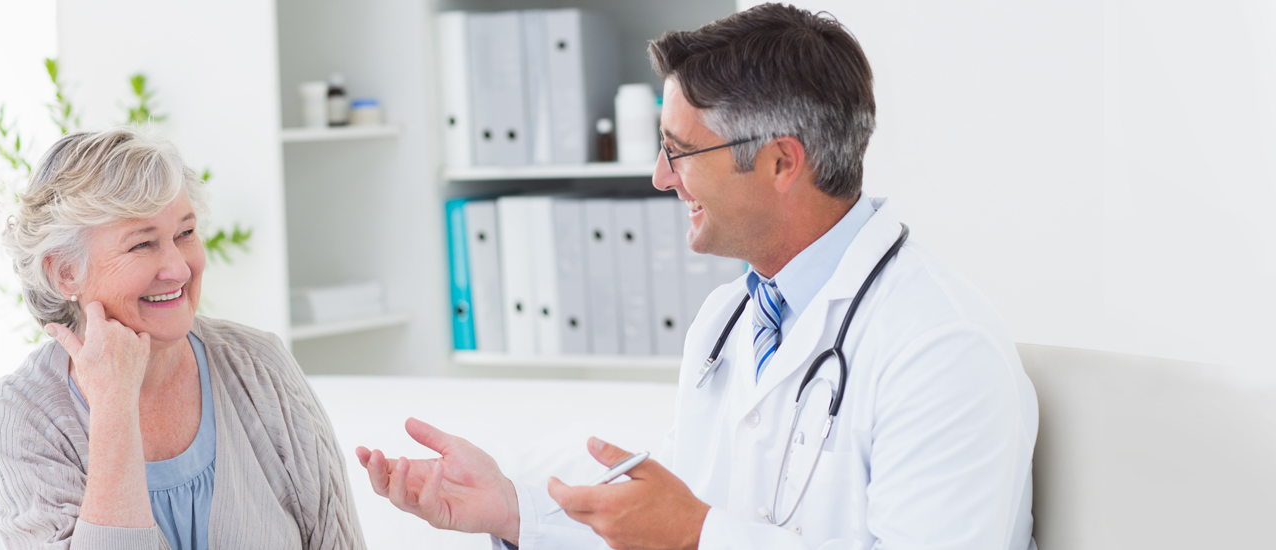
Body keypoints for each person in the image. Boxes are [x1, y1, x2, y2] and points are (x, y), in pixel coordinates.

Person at [356, 5, 1038, 550]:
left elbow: (690, 527)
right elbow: (668, 515)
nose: (660, 177)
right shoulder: (729, 320)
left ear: (781, 163)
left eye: (679, 151)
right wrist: (511, 509)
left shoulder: (940, 346)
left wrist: (699, 534)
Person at [0, 126, 365, 550]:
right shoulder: (21, 416)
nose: (179, 268)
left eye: (185, 234)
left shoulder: (260, 366)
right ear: (66, 272)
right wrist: (113, 406)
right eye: (143, 244)